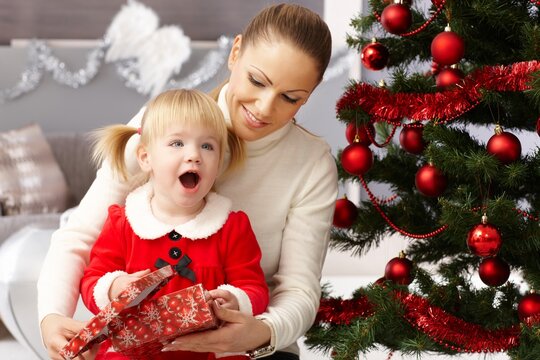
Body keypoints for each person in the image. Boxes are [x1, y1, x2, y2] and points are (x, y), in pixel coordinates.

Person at [38, 3, 338, 360]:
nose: (264, 108)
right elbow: (81, 235)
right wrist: (52, 317)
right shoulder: (163, 124)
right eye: (257, 81)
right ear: (236, 52)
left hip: (253, 348)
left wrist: (261, 332)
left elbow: (299, 291)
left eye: (291, 98)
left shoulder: (312, 163)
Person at [75, 89, 268, 360]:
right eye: (177, 143)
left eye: (207, 146)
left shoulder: (230, 226)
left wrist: (234, 299)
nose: (194, 155)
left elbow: (255, 288)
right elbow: (91, 280)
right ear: (145, 158)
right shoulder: (124, 221)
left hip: (208, 353)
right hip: (133, 353)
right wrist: (114, 286)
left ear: (219, 162)